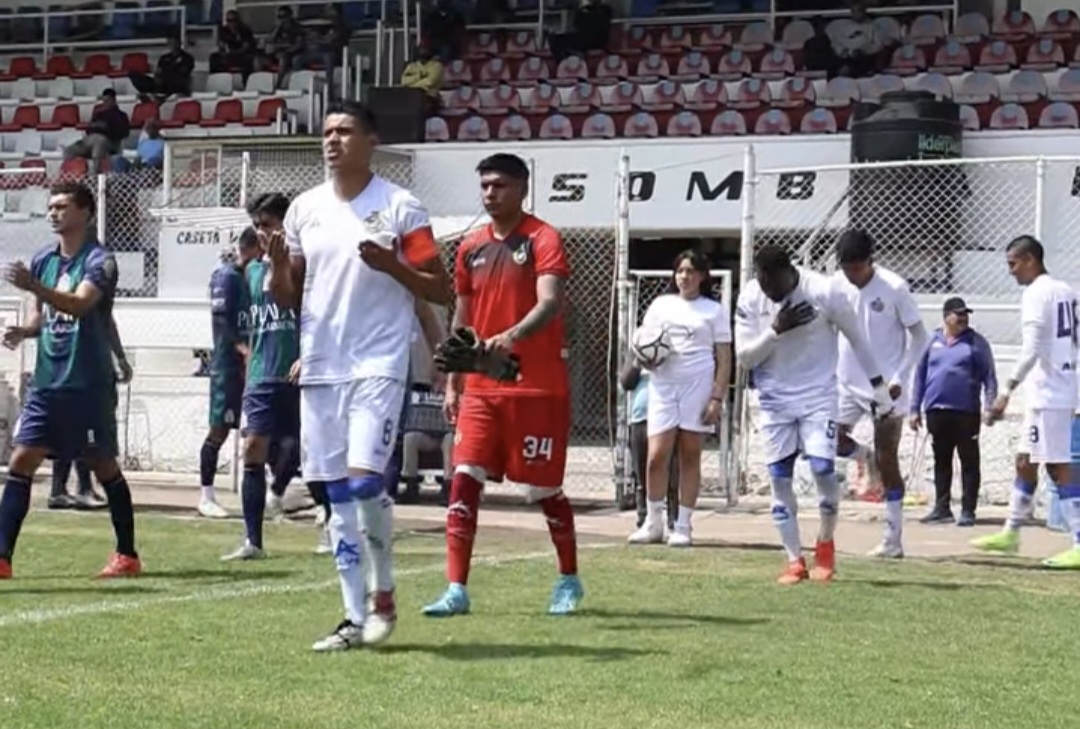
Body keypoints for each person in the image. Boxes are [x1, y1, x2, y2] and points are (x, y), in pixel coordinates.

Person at [277, 101, 451, 651]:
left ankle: (384, 592)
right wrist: (278, 266)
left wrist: (392, 265)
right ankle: (354, 617)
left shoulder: (401, 207)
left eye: (345, 131)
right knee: (334, 496)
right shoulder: (304, 209)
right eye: (327, 132)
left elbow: (439, 286)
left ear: (371, 141)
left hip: (377, 362)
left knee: (363, 482)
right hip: (321, 366)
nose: (333, 140)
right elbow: (290, 295)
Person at [421, 153, 582, 618]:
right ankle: (456, 589)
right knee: (464, 477)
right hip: (480, 389)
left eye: (500, 185)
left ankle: (569, 578)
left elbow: (550, 303)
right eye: (485, 186)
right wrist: (454, 383)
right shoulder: (469, 246)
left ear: (522, 189)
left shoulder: (543, 238)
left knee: (541, 490)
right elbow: (463, 318)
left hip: (535, 388)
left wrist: (508, 337)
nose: (490, 194)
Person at [0, 180, 140, 579]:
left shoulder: (100, 261)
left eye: (62, 206)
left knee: (102, 464)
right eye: (51, 206)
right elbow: (40, 317)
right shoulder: (43, 259)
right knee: (21, 459)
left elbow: (80, 305)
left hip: (87, 383)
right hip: (48, 382)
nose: (53, 213)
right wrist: (24, 331)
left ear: (86, 213)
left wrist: (33, 285)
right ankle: (2, 557)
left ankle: (127, 554)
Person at [734, 245, 893, 584]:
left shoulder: (823, 290)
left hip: (818, 396)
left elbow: (858, 339)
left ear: (788, 272)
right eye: (763, 283)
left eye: (773, 284)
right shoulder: (750, 296)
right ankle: (794, 560)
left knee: (822, 469)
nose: (769, 291)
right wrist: (775, 330)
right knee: (780, 478)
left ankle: (825, 542)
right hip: (774, 400)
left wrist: (879, 388)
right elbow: (745, 358)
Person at [972, 235, 1080, 569]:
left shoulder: (1036, 294)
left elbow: (1032, 348)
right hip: (1054, 388)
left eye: (1013, 263)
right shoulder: (1066, 290)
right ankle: (1011, 531)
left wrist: (1006, 391)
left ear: (1031, 259)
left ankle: (1079, 541)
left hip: (1050, 392)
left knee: (1057, 465)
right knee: (1025, 460)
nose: (1011, 271)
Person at [832, 230, 928, 559]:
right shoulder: (836, 285)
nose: (852, 275)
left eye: (857, 268)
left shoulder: (894, 287)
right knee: (826, 439)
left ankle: (892, 539)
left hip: (886, 388)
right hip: (846, 383)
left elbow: (920, 337)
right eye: (846, 268)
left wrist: (900, 376)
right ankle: (864, 455)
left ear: (871, 261)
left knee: (889, 459)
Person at [627, 250, 732, 547]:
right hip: (663, 385)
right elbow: (644, 343)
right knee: (656, 456)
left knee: (689, 454)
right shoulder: (661, 305)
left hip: (697, 386)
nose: (684, 276)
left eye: (691, 271)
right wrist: (645, 361)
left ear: (702, 276)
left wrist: (716, 397)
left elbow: (725, 358)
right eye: (680, 271)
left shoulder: (713, 310)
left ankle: (683, 524)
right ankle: (653, 522)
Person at [223, 197, 301, 561]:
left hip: (298, 370)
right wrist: (246, 353)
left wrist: (306, 354)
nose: (261, 232)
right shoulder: (250, 271)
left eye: (267, 224)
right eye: (257, 225)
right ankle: (253, 540)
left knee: (305, 452)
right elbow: (243, 320)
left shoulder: (303, 265)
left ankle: (330, 523)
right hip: (261, 375)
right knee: (253, 448)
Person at [50, 251, 134, 511]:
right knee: (84, 426)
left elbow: (107, 320)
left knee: (76, 425)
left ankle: (65, 488)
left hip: (75, 366)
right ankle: (79, 488)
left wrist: (120, 357)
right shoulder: (64, 278)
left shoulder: (85, 281)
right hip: (80, 367)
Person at [910, 298, 997, 526]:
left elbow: (989, 377)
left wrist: (990, 405)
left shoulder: (976, 343)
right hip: (937, 410)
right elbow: (920, 376)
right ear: (946, 316)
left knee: (969, 461)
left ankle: (968, 510)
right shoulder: (932, 341)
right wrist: (914, 409)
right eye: (958, 314)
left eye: (965, 314)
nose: (963, 318)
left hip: (966, 412)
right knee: (941, 460)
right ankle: (942, 508)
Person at [198, 229, 260, 519]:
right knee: (219, 430)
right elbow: (221, 321)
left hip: (253, 367)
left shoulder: (253, 277)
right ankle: (206, 496)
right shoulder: (226, 277)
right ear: (250, 248)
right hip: (228, 367)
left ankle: (273, 491)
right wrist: (242, 349)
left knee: (262, 429)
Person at [619, 358, 680, 532]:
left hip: (667, 417)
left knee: (670, 470)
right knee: (641, 471)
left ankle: (673, 521)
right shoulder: (639, 347)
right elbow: (626, 382)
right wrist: (639, 360)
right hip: (641, 418)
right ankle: (644, 518)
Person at [63, 89, 129, 176]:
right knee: (69, 150)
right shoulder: (99, 114)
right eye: (104, 101)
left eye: (108, 100)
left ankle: (96, 174)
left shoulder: (121, 115)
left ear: (114, 100)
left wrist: (106, 129)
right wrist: (98, 126)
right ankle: (70, 174)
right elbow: (89, 129)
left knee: (99, 143)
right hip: (91, 140)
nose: (105, 103)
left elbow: (124, 132)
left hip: (109, 142)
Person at [129, 35, 194, 101]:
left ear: (180, 43)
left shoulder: (187, 58)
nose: (173, 45)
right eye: (171, 43)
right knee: (136, 76)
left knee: (175, 79)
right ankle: (150, 94)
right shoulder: (164, 58)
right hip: (162, 84)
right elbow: (158, 71)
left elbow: (183, 73)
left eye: (175, 42)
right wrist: (157, 77)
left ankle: (160, 94)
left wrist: (167, 73)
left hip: (176, 84)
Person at [266, 7, 307, 89]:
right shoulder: (278, 28)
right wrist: (276, 29)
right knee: (258, 60)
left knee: (283, 58)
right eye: (280, 17)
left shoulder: (297, 28)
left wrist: (288, 51)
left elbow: (299, 44)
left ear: (290, 16)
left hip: (291, 52)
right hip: (277, 52)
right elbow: (270, 40)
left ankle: (278, 84)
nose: (282, 19)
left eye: (284, 16)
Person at [210, 10, 258, 79]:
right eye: (228, 21)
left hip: (242, 54)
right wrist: (222, 47)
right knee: (214, 58)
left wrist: (234, 52)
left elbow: (246, 47)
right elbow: (222, 43)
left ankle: (246, 80)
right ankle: (217, 79)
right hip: (229, 54)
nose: (231, 23)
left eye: (233, 20)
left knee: (248, 59)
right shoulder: (224, 30)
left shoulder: (245, 30)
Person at [401, 43, 444, 116]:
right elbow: (404, 81)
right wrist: (419, 76)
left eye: (425, 50)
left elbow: (430, 82)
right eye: (421, 49)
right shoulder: (411, 66)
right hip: (412, 97)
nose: (423, 52)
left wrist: (412, 85)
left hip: (430, 97)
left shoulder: (437, 66)